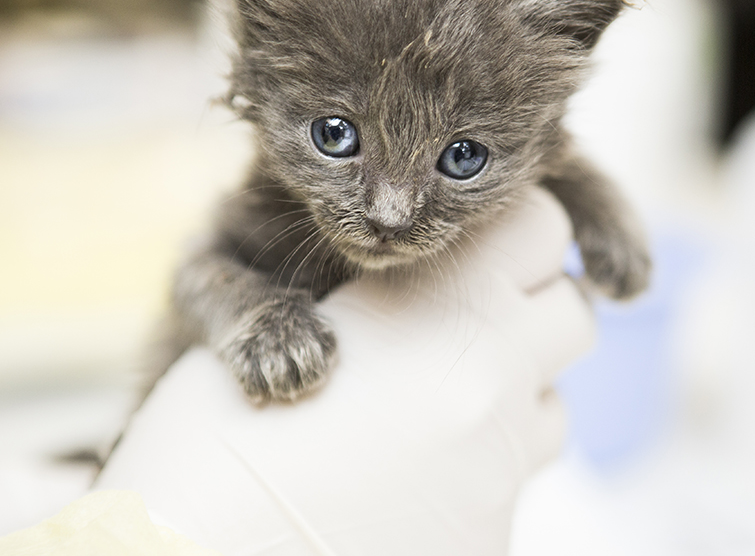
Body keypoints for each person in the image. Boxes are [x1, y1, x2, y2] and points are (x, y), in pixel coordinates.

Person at [75, 186, 593, 555]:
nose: (391, 214)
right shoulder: (262, 208)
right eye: (336, 135)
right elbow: (199, 272)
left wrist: (577, 188)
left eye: (460, 158)